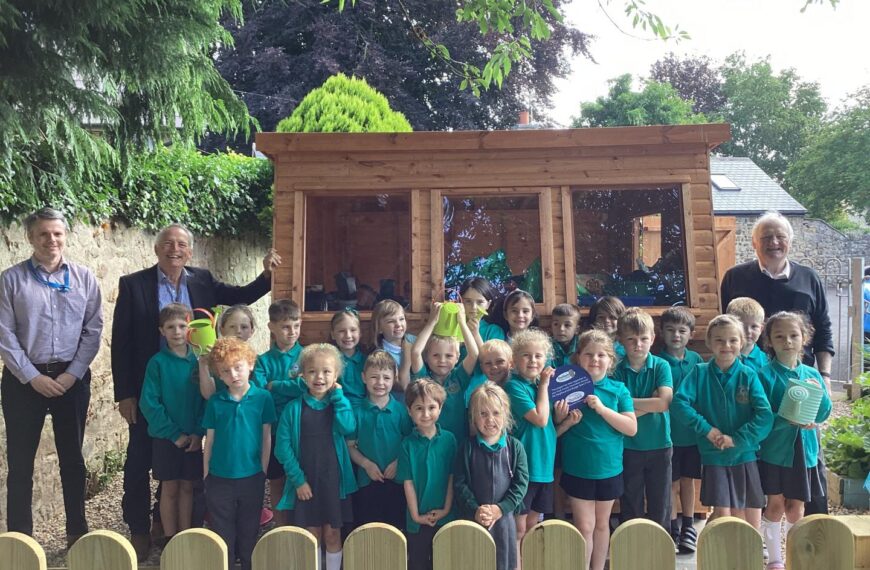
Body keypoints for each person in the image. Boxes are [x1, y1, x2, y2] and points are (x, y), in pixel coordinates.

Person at [111, 223, 279, 560]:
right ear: (157, 249)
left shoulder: (201, 279)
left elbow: (238, 296)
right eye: (168, 244)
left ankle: (179, 530)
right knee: (140, 461)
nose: (175, 249)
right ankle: (140, 531)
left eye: (182, 245)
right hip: (154, 389)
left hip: (193, 390)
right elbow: (122, 341)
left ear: (190, 251)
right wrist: (125, 393)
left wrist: (266, 276)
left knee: (186, 468)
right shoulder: (134, 284)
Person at [0, 207, 103, 547]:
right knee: (20, 463)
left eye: (57, 233)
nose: (51, 240)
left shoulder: (85, 278)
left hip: (70, 380)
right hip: (23, 382)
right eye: (43, 234)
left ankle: (77, 535)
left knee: (72, 458)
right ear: (30, 238)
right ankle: (19, 540)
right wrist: (32, 377)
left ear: (65, 236)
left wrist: (72, 374)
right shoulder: (10, 280)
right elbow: (5, 334)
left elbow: (93, 329)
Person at [720, 211, 834, 515]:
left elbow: (823, 329)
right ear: (755, 243)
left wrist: (824, 376)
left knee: (807, 460)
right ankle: (761, 540)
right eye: (766, 237)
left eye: (780, 236)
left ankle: (813, 536)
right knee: (763, 468)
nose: (774, 242)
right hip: (755, 382)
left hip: (800, 383)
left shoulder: (809, 278)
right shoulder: (735, 277)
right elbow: (726, 328)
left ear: (790, 241)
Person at [670, 315, 773, 530]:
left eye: (732, 340)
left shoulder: (748, 375)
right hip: (713, 455)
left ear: (742, 342)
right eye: (719, 340)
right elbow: (679, 404)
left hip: (744, 453)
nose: (726, 345)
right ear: (709, 342)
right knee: (724, 513)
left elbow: (765, 415)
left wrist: (737, 439)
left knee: (746, 512)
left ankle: (750, 553)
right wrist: (707, 430)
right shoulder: (699, 372)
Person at [556, 330, 637, 570]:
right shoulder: (565, 388)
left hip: (609, 468)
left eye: (602, 355)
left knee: (602, 525)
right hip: (578, 468)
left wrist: (602, 409)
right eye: (589, 354)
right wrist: (561, 417)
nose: (595, 359)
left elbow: (631, 428)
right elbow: (552, 431)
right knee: (584, 526)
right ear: (578, 358)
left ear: (611, 360)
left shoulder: (618, 389)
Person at [757, 312, 832, 570]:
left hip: (804, 450)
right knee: (775, 504)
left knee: (796, 505)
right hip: (774, 451)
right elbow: (761, 414)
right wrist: (783, 419)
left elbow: (824, 412)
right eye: (779, 336)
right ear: (769, 341)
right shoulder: (763, 375)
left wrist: (819, 394)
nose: (787, 341)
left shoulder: (811, 373)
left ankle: (793, 558)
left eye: (793, 335)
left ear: (804, 338)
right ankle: (775, 560)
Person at [275, 343, 357, 570]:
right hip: (306, 482)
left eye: (326, 371)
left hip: (333, 482)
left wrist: (339, 397)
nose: (319, 377)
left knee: (332, 534)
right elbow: (282, 448)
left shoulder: (339, 403)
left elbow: (348, 427)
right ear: (303, 375)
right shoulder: (293, 409)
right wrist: (298, 480)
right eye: (312, 371)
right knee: (312, 534)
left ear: (336, 375)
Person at [203, 337, 276, 570]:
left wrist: (263, 470)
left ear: (250, 365)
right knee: (222, 530)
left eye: (238, 367)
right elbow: (210, 440)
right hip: (219, 477)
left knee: (248, 528)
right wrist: (206, 473)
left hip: (251, 475)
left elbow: (266, 436)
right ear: (219, 375)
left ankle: (247, 564)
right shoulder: (215, 402)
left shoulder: (263, 398)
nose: (233, 374)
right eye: (226, 371)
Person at [137, 303, 204, 547]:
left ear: (190, 328)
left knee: (188, 487)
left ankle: (185, 536)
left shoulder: (199, 361)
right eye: (171, 327)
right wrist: (173, 434)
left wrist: (198, 432)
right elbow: (149, 403)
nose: (177, 331)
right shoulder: (157, 363)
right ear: (161, 331)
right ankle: (170, 538)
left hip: (192, 436)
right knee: (170, 488)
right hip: (167, 439)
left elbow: (205, 401)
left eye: (182, 326)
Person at [454, 382, 529, 570]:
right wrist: (475, 510)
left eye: (495, 413)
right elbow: (460, 484)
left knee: (504, 563)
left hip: (504, 521)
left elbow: (520, 484)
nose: (490, 420)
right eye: (483, 414)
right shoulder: (467, 447)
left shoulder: (515, 447)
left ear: (505, 414)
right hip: (474, 519)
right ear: (473, 417)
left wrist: (500, 509)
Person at [612, 308, 673, 533]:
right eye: (631, 339)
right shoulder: (616, 370)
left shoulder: (661, 366)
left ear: (653, 339)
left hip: (660, 444)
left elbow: (664, 403)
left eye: (644, 339)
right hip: (629, 445)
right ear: (621, 340)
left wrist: (628, 408)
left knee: (661, 500)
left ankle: (662, 546)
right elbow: (615, 409)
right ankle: (631, 543)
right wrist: (651, 402)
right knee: (631, 499)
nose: (638, 344)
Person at [503, 329, 556, 558]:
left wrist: (567, 422)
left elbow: (550, 429)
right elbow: (540, 419)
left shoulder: (540, 388)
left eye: (538, 356)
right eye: (526, 355)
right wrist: (544, 384)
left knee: (534, 526)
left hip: (545, 468)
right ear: (514, 361)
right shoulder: (514, 386)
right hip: (523, 469)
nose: (533, 360)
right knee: (519, 528)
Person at [252, 299, 305, 527]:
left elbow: (307, 387)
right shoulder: (263, 361)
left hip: (300, 430)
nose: (292, 332)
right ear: (271, 327)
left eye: (296, 325)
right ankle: (282, 528)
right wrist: (288, 387)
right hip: (273, 431)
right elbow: (261, 391)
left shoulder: (307, 356)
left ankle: (301, 527)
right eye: (285, 326)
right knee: (276, 480)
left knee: (300, 479)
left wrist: (277, 386)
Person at [655, 307, 703, 553]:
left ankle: (688, 525)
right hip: (668, 434)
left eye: (682, 331)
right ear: (661, 333)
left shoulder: (697, 361)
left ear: (691, 334)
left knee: (688, 481)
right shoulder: (658, 363)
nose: (676, 335)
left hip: (691, 434)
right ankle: (672, 527)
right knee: (670, 483)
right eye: (671, 330)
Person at [348, 350, 413, 529]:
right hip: (368, 480)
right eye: (374, 377)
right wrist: (366, 464)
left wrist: (399, 462)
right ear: (363, 377)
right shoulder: (357, 412)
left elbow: (411, 442)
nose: (380, 383)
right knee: (369, 528)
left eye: (386, 377)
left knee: (396, 526)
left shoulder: (401, 411)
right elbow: (350, 446)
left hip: (398, 480)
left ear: (395, 378)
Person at [396, 379, 457, 570]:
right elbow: (408, 483)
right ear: (409, 410)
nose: (426, 414)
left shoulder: (449, 440)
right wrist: (416, 516)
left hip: (445, 516)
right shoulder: (407, 444)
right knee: (418, 563)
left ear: (440, 408)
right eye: (419, 408)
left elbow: (451, 477)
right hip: (417, 520)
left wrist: (446, 509)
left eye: (432, 407)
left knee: (445, 562)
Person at [410, 302, 479, 441]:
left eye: (449, 356)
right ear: (427, 357)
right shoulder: (423, 380)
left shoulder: (459, 377)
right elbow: (416, 351)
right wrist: (431, 322)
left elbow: (474, 354)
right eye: (436, 355)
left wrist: (462, 322)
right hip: (431, 442)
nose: (442, 360)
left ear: (457, 357)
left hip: (458, 441)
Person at [371, 299, 416, 392]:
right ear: (379, 328)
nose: (398, 324)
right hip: (400, 402)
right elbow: (403, 386)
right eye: (391, 321)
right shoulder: (381, 355)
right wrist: (408, 356)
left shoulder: (412, 339)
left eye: (401, 319)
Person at [331, 308, 366, 404]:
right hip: (337, 407)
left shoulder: (368, 361)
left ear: (360, 333)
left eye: (353, 330)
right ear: (333, 335)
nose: (348, 335)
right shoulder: (329, 361)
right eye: (342, 331)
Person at [726, 297, 768, 372]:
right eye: (742, 326)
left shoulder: (767, 361)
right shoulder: (722, 357)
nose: (748, 331)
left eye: (754, 326)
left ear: (761, 329)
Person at [587, 296, 627, 360]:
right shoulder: (587, 344)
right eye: (601, 317)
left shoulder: (626, 346)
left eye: (612, 317)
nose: (606, 321)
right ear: (594, 320)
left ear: (621, 320)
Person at [550, 303, 582, 368]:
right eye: (556, 324)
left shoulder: (582, 345)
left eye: (567, 325)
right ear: (551, 327)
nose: (561, 329)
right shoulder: (546, 346)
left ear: (576, 330)